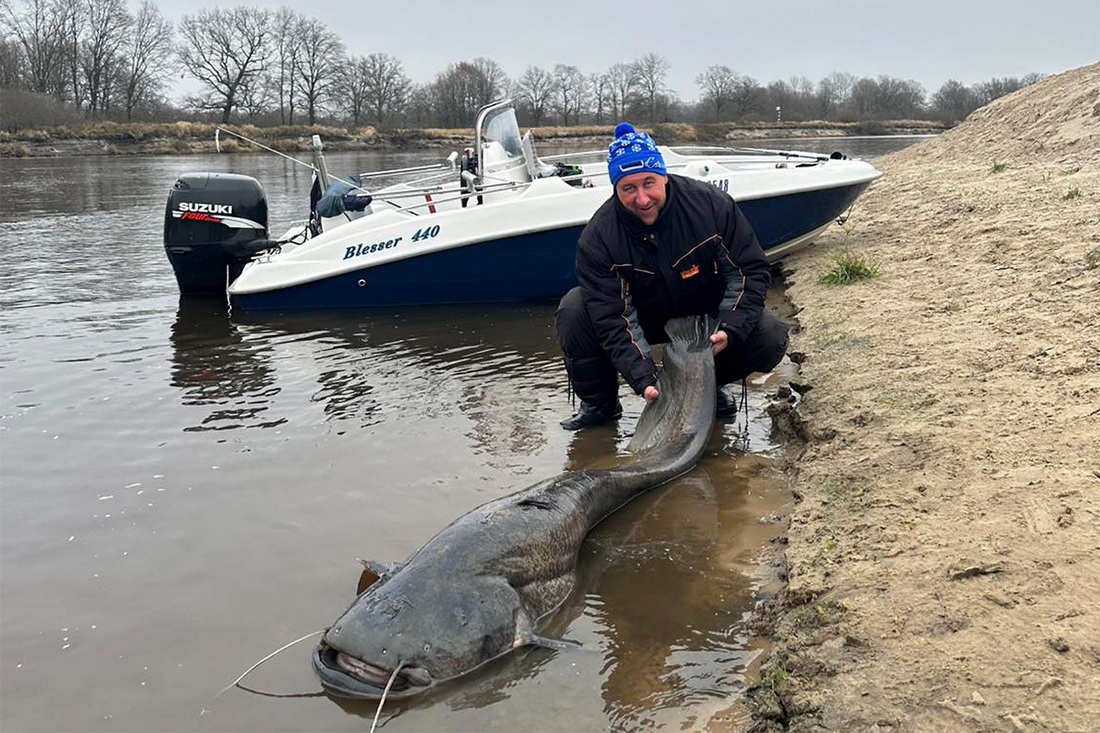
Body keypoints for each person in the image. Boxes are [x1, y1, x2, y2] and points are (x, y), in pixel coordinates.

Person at [556, 122, 789, 430]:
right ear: (615, 188)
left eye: (649, 183)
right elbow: (613, 318)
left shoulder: (710, 205)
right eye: (628, 188)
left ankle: (708, 386)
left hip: (704, 315)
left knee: (768, 333)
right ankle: (600, 406)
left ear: (663, 176)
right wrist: (643, 377)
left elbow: (749, 272)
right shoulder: (598, 237)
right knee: (574, 308)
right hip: (647, 316)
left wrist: (730, 329)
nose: (642, 199)